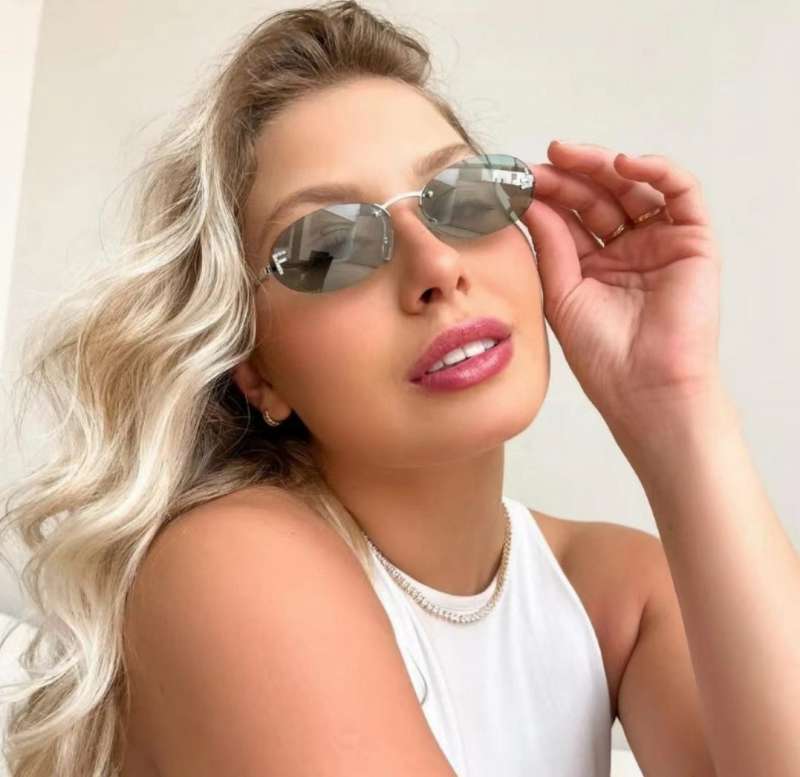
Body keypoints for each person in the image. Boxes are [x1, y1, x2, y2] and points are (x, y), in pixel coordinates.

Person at [2, 2, 798, 777]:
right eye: (328, 247)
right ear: (255, 367)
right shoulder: (226, 565)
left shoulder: (613, 590)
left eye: (463, 198)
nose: (436, 266)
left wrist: (676, 403)